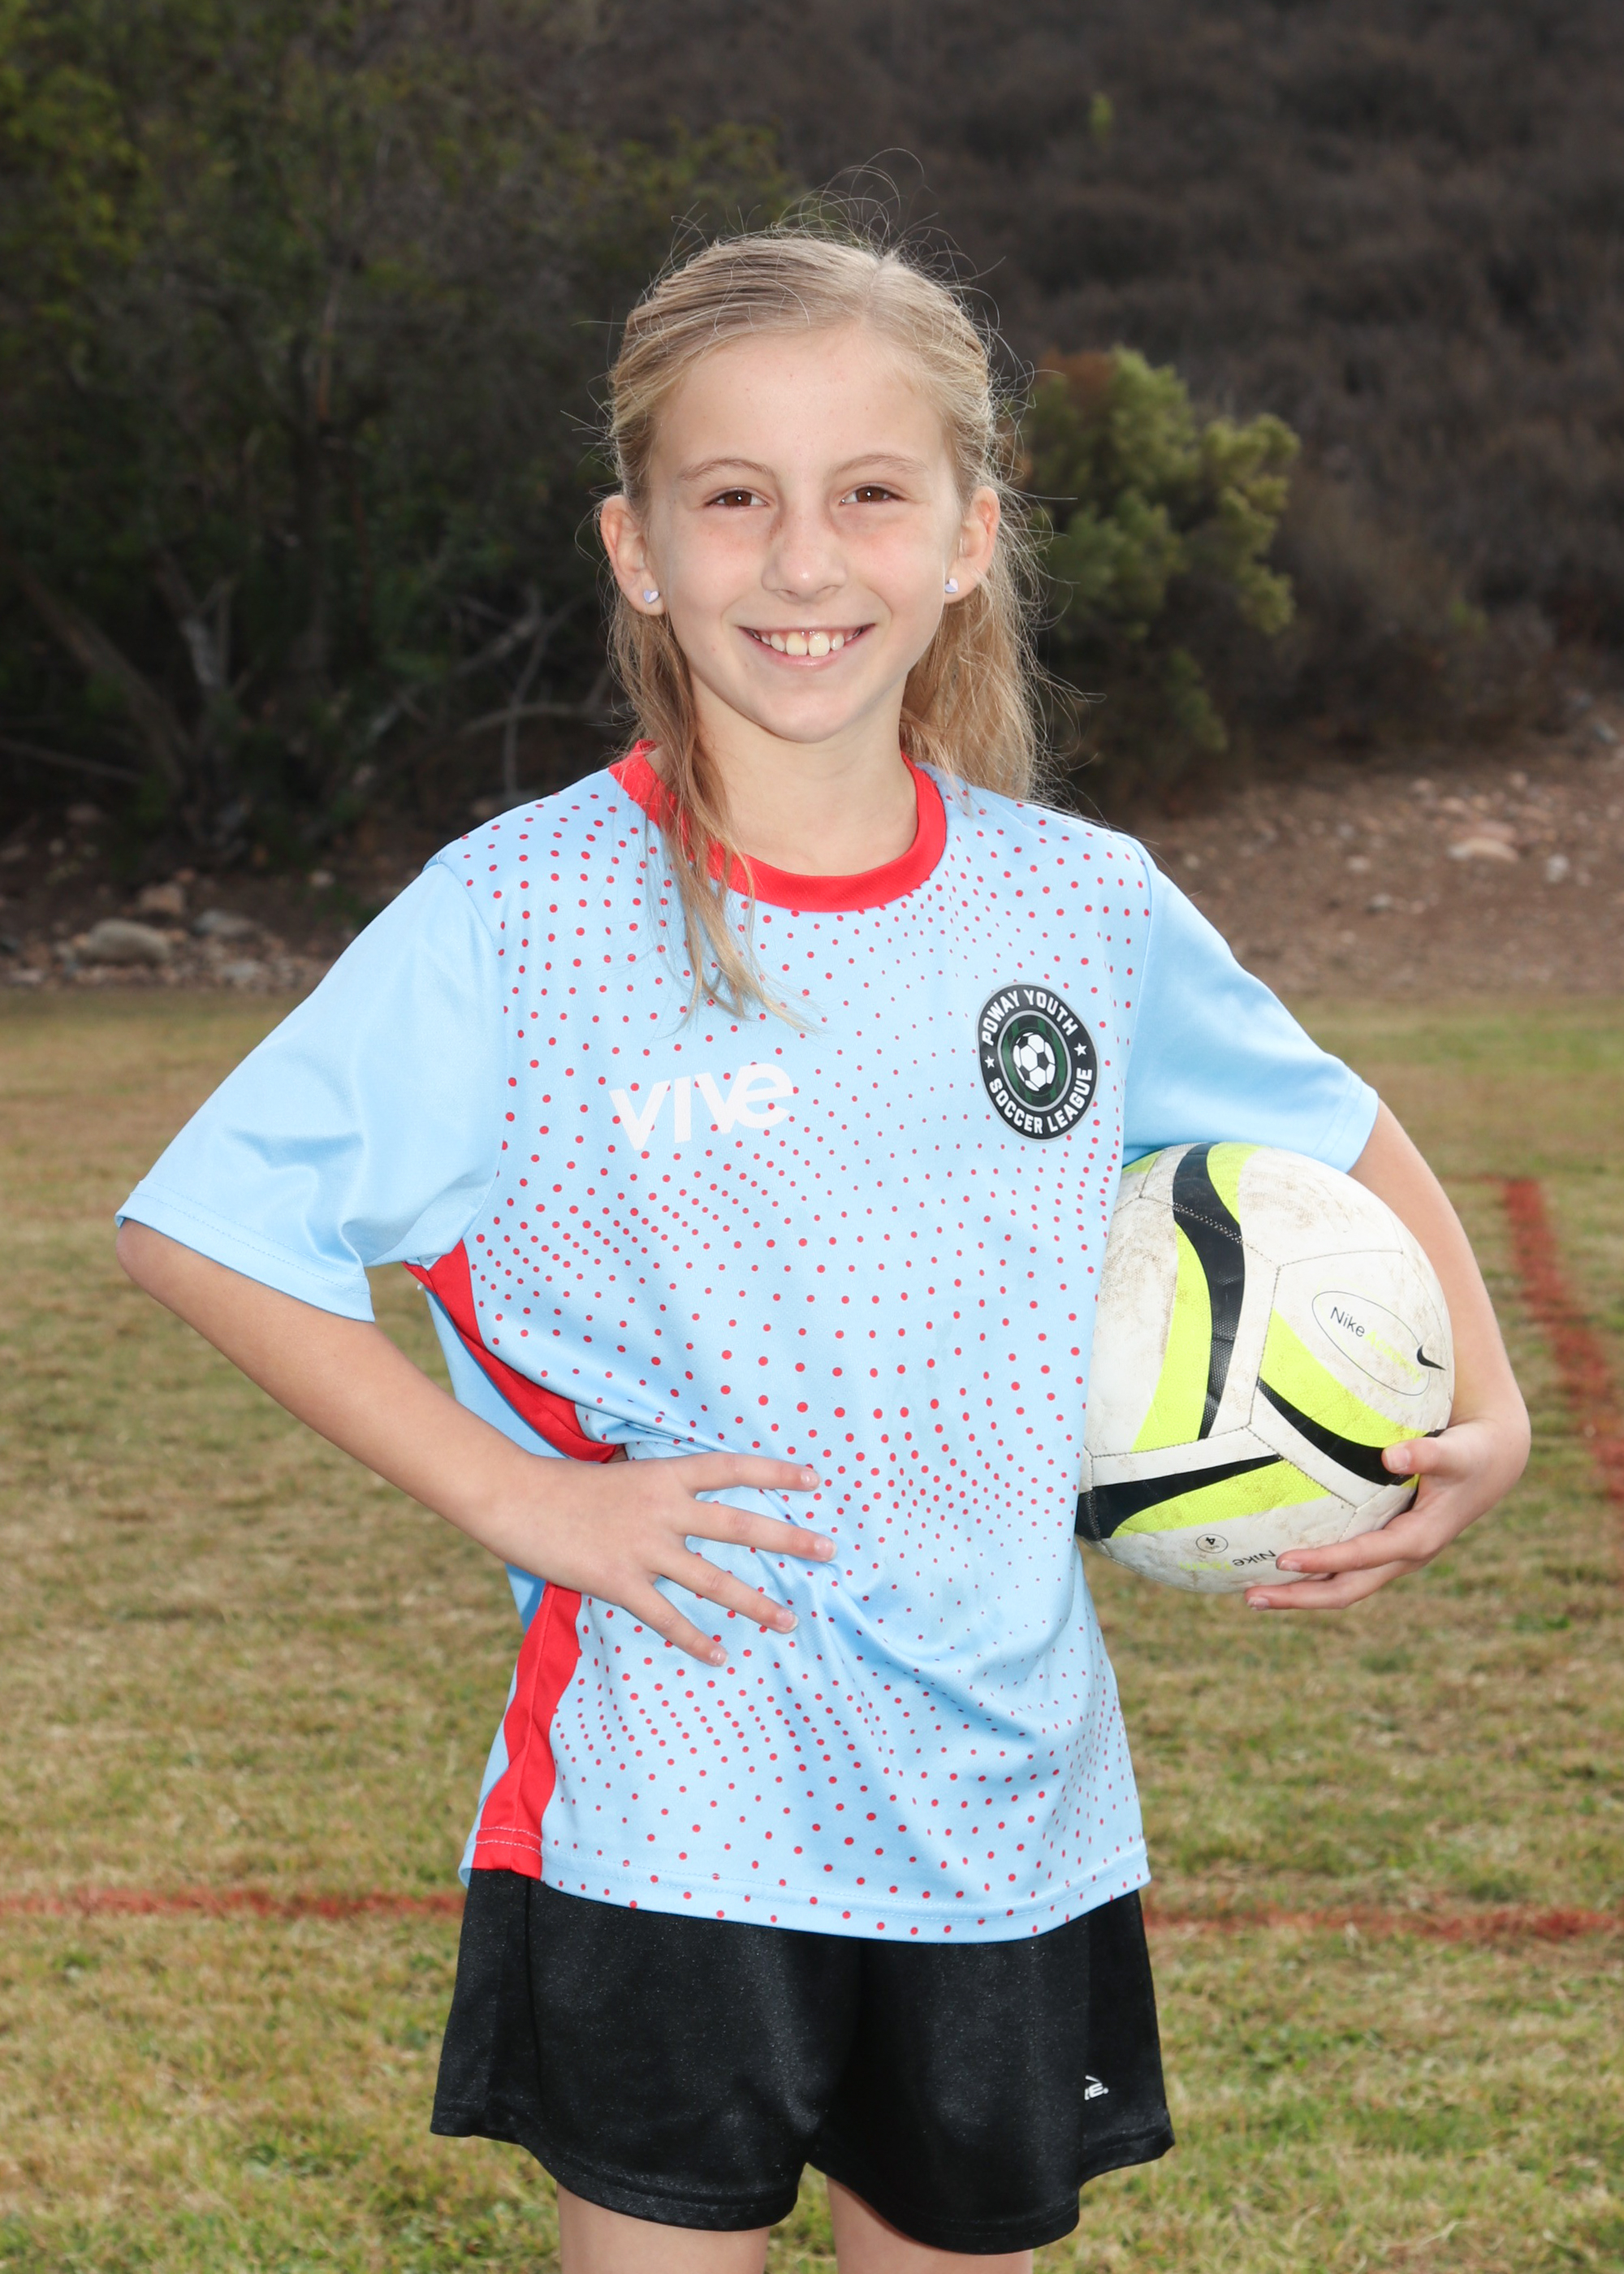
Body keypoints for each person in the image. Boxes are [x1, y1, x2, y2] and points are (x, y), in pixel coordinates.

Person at [116, 229, 1530, 2274]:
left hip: (1006, 1799)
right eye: (732, 496)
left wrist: (1485, 1396)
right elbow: (211, 1226)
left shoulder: (1079, 907)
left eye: (870, 491)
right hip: (678, 1788)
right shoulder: (523, 913)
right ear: (635, 547)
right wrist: (528, 1499)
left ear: (967, 534)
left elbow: (1336, 1126)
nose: (802, 559)